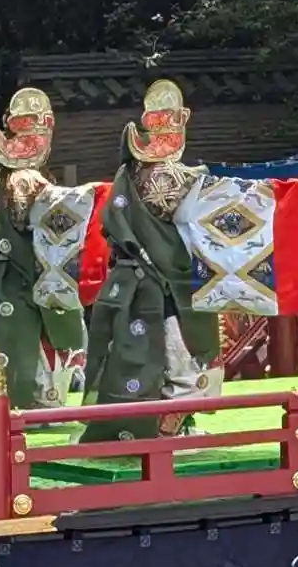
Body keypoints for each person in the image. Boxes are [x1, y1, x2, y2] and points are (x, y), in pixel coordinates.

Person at [81, 80, 224, 440]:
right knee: (183, 363)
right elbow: (211, 209)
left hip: (128, 282)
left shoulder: (125, 175)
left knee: (136, 361)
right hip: (167, 284)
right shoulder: (173, 176)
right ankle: (167, 435)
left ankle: (151, 429)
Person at [0, 88, 88, 409]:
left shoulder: (32, 176)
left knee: (41, 365)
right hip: (6, 279)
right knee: (4, 365)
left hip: (37, 274)